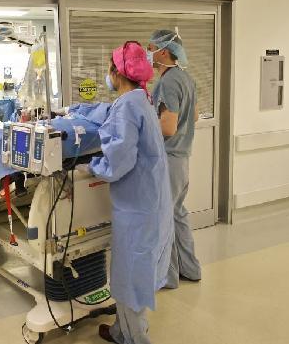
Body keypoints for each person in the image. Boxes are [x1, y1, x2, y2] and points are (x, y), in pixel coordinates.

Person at [84, 42, 174, 344]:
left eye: (109, 69)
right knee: (134, 273)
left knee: (131, 278)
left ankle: (135, 338)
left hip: (138, 209)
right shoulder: (142, 100)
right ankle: (121, 332)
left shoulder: (126, 107)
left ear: (117, 72)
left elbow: (118, 163)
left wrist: (91, 167)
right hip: (150, 201)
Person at [147, 29, 202, 289]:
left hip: (169, 160)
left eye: (151, 49)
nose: (148, 54)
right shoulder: (186, 78)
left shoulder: (167, 82)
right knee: (178, 214)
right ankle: (190, 269)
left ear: (164, 52)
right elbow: (195, 116)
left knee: (164, 219)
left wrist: (143, 127)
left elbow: (168, 128)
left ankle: (167, 278)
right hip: (182, 159)